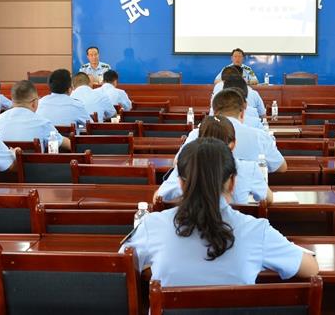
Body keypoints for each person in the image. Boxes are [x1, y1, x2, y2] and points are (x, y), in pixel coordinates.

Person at [121, 138, 317, 287]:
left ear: (180, 183)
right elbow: (311, 269)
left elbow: (121, 268)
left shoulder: (151, 226)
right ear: (232, 183)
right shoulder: (257, 231)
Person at [156, 116, 272, 205]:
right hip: (236, 228)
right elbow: (268, 199)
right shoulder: (249, 169)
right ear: (233, 145)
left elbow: (158, 198)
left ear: (199, 141)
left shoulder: (187, 167)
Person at [168, 89, 286, 173]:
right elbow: (281, 167)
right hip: (249, 197)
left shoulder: (196, 134)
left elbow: (177, 163)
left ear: (214, 112)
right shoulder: (259, 136)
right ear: (243, 113)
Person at [0, 80, 70, 151]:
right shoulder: (42, 123)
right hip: (34, 163)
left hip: (5, 163)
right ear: (34, 103)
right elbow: (67, 145)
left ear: (12, 101)